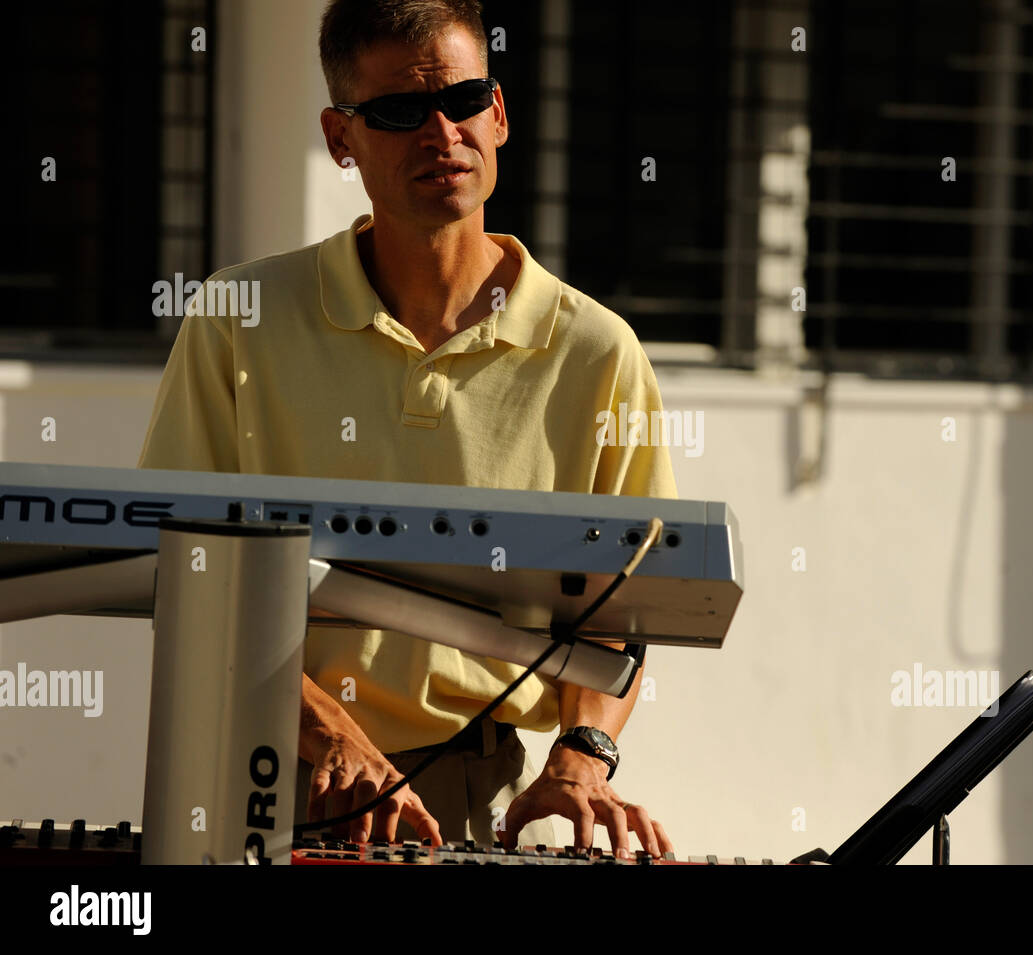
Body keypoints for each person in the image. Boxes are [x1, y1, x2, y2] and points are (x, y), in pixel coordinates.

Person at [137, 0, 675, 861]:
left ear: (498, 114)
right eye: (398, 112)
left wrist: (583, 756)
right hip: (265, 771)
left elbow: (628, 601)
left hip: (477, 789)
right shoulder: (236, 320)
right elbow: (182, 570)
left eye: (464, 101)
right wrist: (325, 733)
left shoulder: (596, 351)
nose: (441, 132)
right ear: (339, 137)